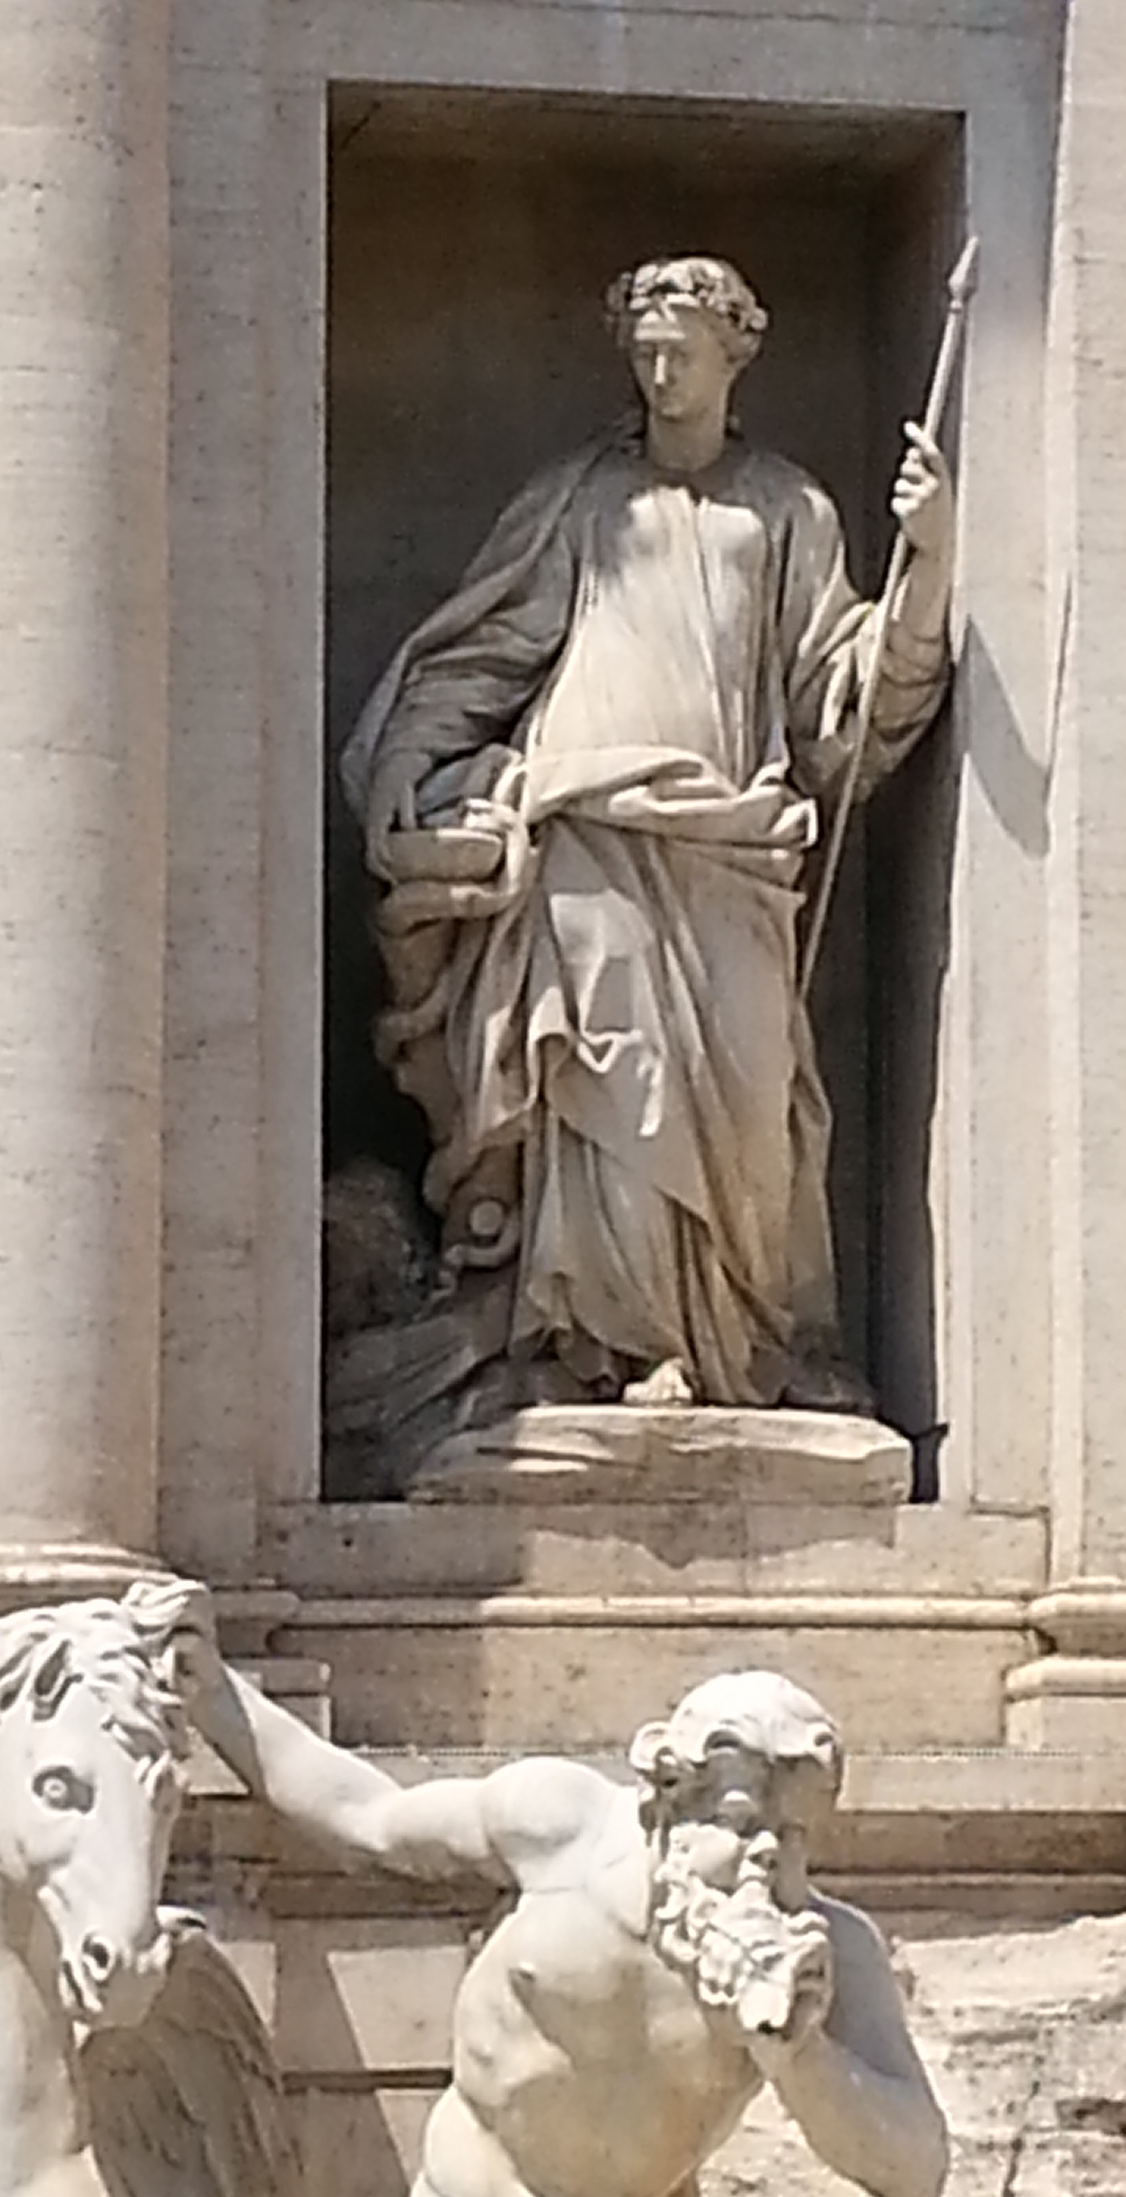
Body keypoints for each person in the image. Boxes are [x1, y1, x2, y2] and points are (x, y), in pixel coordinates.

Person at [337, 254, 953, 1444]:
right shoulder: (579, 500)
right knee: (603, 1074)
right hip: (586, 824)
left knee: (743, 1099)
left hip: (732, 846)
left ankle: (732, 1342)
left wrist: (928, 559)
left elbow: (849, 703)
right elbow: (487, 650)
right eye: (645, 349)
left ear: (737, 352)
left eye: (684, 347)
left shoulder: (787, 508)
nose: (661, 369)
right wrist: (416, 755)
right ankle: (602, 1350)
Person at [174, 1623, 949, 2197]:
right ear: (669, 1803)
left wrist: (795, 2053)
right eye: (743, 1825)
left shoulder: (829, 1953)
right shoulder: (561, 1830)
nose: (768, 1861)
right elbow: (368, 1817)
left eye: (795, 1837)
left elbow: (916, 2169)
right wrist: (212, 1692)